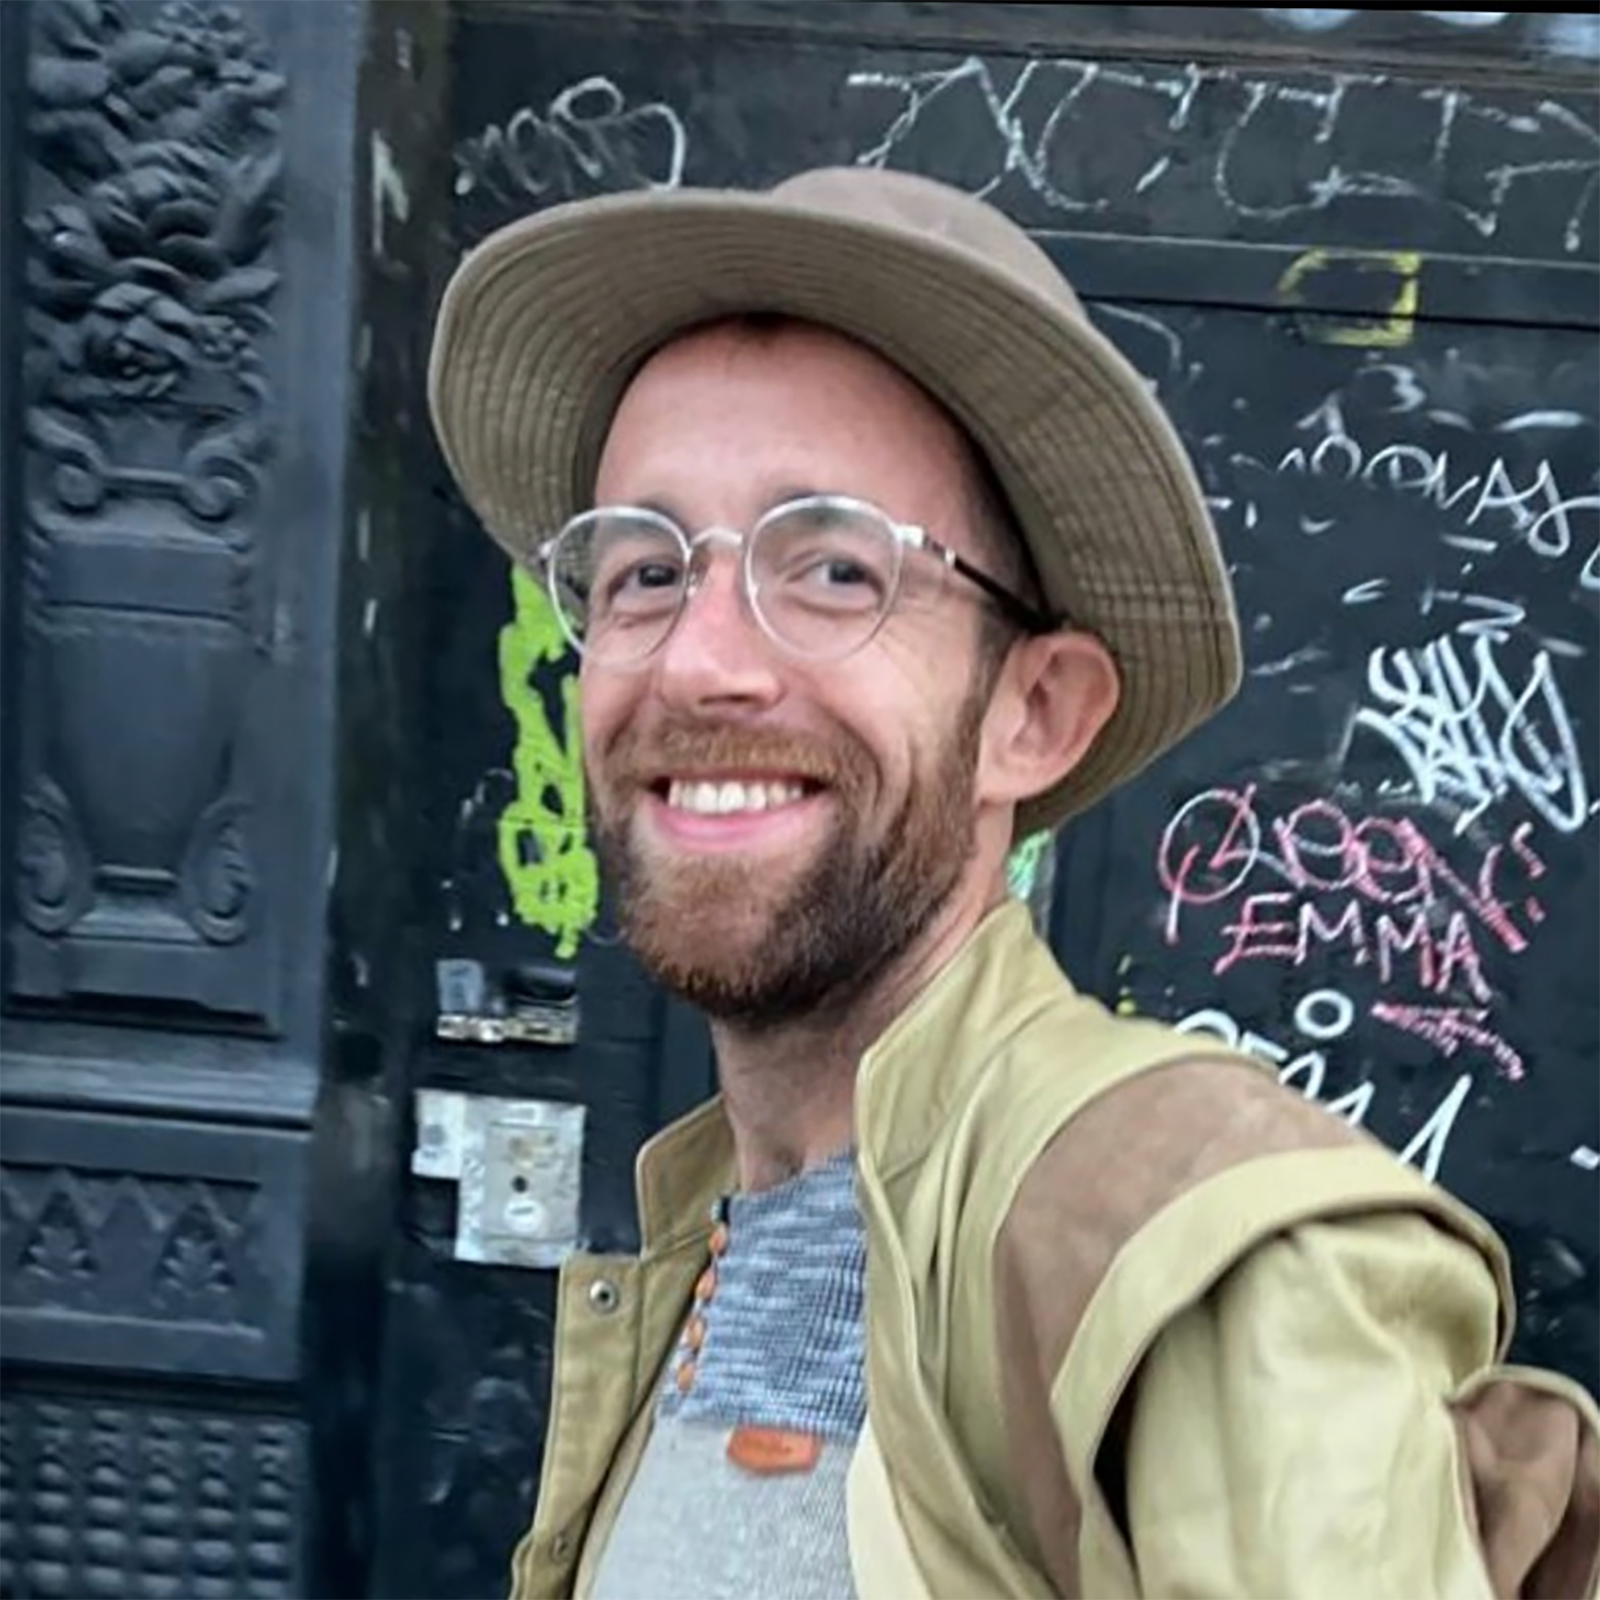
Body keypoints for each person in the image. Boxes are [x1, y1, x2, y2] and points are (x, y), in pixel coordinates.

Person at [428, 168, 1600, 1600]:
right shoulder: (706, 1230)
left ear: (1031, 713)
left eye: (837, 569)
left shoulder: (1193, 1258)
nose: (696, 660)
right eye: (641, 571)